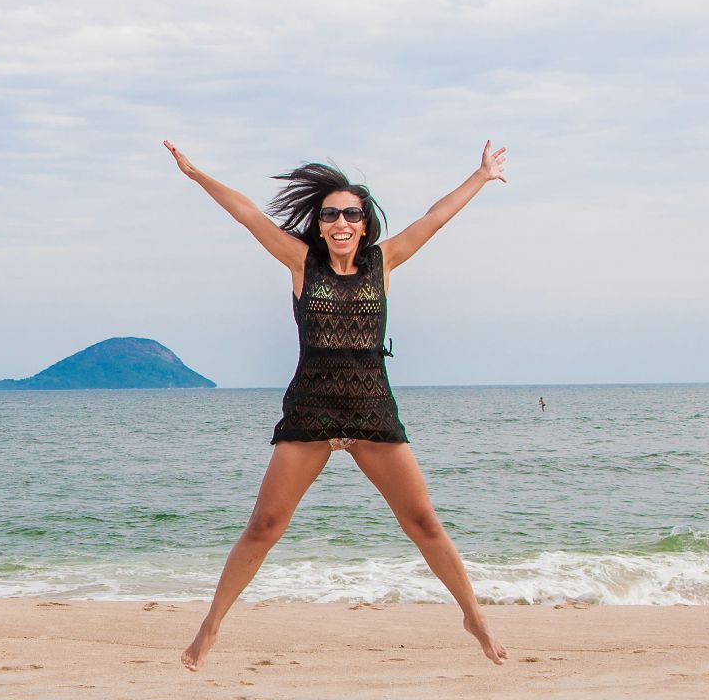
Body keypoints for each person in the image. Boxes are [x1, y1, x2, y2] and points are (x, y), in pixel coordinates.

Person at [162, 139, 511, 669]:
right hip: (310, 411)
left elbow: (434, 218)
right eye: (330, 215)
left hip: (372, 411)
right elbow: (248, 215)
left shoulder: (383, 261)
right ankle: (210, 626)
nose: (341, 222)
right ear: (320, 225)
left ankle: (474, 617)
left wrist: (480, 177)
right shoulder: (301, 262)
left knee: (423, 522)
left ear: (364, 224)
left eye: (351, 213)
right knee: (264, 526)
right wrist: (196, 175)